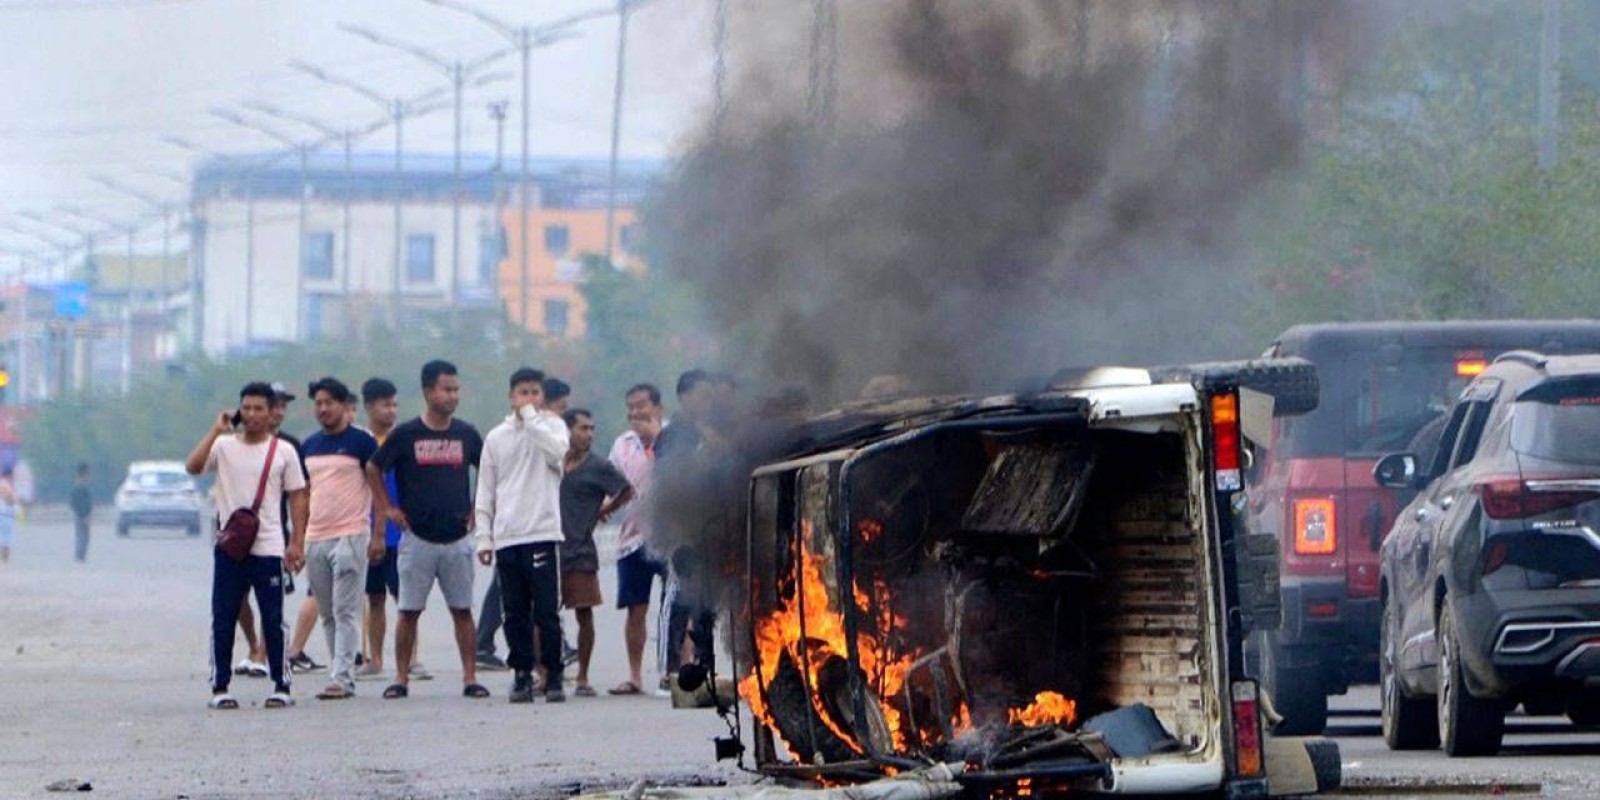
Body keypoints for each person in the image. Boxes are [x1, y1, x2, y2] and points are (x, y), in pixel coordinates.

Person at [366, 360, 487, 700]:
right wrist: (388, 507)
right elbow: (373, 468)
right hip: (417, 539)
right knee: (408, 611)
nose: (453, 396)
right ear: (428, 391)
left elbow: (488, 470)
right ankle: (401, 678)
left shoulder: (466, 434)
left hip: (457, 538)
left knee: (462, 610)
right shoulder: (405, 435)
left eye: (456, 389)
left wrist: (480, 505)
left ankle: (470, 677)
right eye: (447, 389)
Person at [186, 381, 309, 709]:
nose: (252, 415)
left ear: (271, 414)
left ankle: (281, 684)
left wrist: (296, 541)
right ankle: (220, 686)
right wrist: (215, 431)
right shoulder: (224, 446)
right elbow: (193, 466)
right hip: (230, 548)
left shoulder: (284, 451)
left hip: (268, 547)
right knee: (223, 616)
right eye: (247, 408)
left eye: (259, 409)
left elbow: (298, 496)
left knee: (273, 617)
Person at [474, 368, 569, 703]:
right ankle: (521, 673)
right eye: (522, 393)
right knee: (514, 613)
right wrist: (485, 537)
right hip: (508, 537)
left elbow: (558, 454)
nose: (528, 398)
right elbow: (485, 490)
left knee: (546, 612)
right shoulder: (497, 437)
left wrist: (532, 420)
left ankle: (554, 674)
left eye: (534, 392)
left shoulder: (553, 428)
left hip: (542, 533)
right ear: (511, 396)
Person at [299, 377, 379, 700]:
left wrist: (377, 533)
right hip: (316, 537)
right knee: (327, 611)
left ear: (345, 406)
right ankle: (338, 670)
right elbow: (304, 493)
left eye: (329, 402)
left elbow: (377, 488)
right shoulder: (310, 446)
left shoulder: (363, 442)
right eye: (318, 403)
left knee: (347, 609)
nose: (323, 409)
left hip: (351, 533)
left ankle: (343, 677)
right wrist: (297, 538)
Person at [356, 377, 428, 681]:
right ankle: (375, 659)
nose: (392, 410)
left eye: (395, 404)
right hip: (368, 529)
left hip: (400, 532)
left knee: (406, 598)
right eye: (386, 404)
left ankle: (412, 658)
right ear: (371, 407)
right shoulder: (362, 443)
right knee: (374, 598)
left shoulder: (402, 440)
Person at [560, 408, 634, 696]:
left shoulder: (598, 466)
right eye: (582, 428)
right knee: (540, 615)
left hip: (580, 549)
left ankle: (582, 676)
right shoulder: (552, 461)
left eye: (592, 429)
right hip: (549, 546)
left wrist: (605, 509)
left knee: (584, 613)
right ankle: (545, 671)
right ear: (566, 430)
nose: (589, 434)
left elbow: (626, 490)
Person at [655, 369, 721, 690]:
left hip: (708, 528)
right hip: (682, 530)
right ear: (684, 396)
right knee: (677, 601)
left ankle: (703, 667)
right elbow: (670, 482)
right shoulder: (673, 435)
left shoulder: (712, 431)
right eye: (704, 395)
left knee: (705, 604)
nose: (710, 402)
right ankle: (668, 669)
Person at [607, 383, 666, 695]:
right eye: (630, 407)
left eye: (641, 405)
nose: (635, 412)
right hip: (632, 537)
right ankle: (634, 675)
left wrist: (655, 439)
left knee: (675, 606)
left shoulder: (671, 437)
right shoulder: (622, 445)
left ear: (658, 407)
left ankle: (676, 671)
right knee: (635, 608)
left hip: (670, 535)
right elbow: (614, 484)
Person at [70, 463, 92, 563]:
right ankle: (80, 556)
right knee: (83, 537)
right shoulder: (80, 487)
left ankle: (80, 556)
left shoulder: (80, 486)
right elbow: (77, 503)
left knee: (82, 536)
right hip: (82, 515)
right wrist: (84, 515)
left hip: (82, 514)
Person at [0, 466, 15, 564]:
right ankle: (5, 560)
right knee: (6, 539)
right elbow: (10, 499)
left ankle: (3, 560)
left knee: (2, 538)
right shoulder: (6, 486)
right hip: (5, 514)